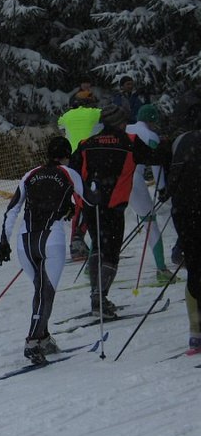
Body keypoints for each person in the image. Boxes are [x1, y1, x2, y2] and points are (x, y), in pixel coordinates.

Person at [0, 136, 85, 364]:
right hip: (52, 240)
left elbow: (12, 209)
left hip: (24, 243)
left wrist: (3, 241)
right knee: (46, 292)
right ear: (66, 155)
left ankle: (43, 337)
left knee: (41, 290)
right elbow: (88, 200)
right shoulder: (68, 172)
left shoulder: (30, 174)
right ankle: (32, 342)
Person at [69, 103, 167, 318]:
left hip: (91, 205)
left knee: (97, 248)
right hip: (114, 206)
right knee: (111, 253)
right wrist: (167, 144)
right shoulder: (129, 142)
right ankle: (100, 299)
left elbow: (71, 170)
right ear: (119, 123)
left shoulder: (86, 144)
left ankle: (95, 295)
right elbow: (156, 157)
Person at [162, 98, 201, 351]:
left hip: (184, 211)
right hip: (192, 207)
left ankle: (196, 332)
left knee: (195, 271)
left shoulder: (181, 140)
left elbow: (170, 175)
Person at [124, 104, 172, 284]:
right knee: (150, 222)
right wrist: (162, 188)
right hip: (134, 179)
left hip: (115, 180)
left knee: (108, 221)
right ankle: (162, 269)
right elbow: (156, 164)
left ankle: (92, 266)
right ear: (152, 120)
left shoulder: (126, 128)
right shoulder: (150, 136)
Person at [57, 94, 102, 260]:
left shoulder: (67, 116)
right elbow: (109, 116)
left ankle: (76, 243)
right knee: (91, 200)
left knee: (80, 202)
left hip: (72, 163)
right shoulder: (93, 113)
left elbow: (60, 124)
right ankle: (80, 240)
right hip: (89, 159)